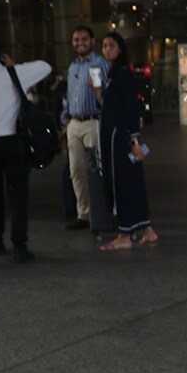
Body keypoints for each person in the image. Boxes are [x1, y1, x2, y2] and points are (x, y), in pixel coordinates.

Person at [0, 32, 51, 262]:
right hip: (13, 141)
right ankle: (19, 246)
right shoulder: (10, 72)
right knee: (18, 194)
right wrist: (13, 65)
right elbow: (45, 66)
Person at [92, 32, 157, 250]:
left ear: (120, 48)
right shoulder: (114, 75)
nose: (107, 49)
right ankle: (147, 229)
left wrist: (133, 139)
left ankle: (124, 234)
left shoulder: (123, 74)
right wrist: (98, 92)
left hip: (120, 140)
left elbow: (130, 107)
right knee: (133, 181)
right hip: (116, 136)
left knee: (123, 182)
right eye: (104, 46)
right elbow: (110, 107)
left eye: (111, 45)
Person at [63, 26, 109, 230]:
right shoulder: (72, 66)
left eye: (83, 39)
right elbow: (69, 94)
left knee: (96, 169)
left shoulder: (99, 63)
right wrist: (65, 119)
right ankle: (84, 214)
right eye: (75, 39)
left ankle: (101, 213)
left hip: (93, 121)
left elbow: (104, 92)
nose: (79, 43)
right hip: (74, 123)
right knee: (76, 170)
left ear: (92, 40)